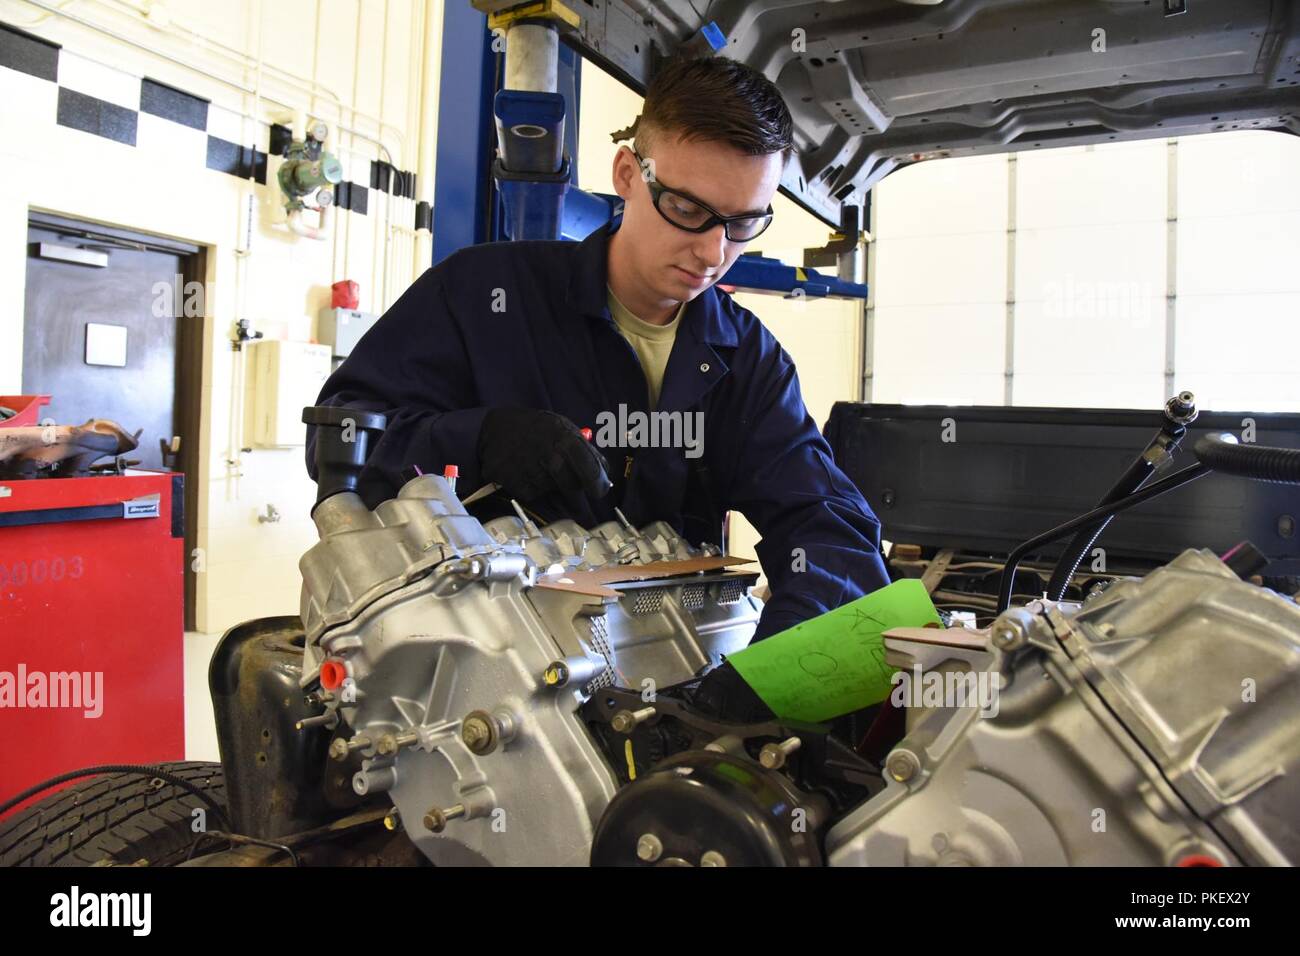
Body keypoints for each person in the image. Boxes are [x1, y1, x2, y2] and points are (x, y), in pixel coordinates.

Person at [306, 55, 889, 713]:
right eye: (688, 209)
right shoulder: (484, 295)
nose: (713, 252)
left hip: (666, 685)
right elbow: (346, 433)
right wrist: (478, 439)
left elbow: (829, 531)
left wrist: (766, 688)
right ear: (626, 176)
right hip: (472, 694)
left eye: (744, 223)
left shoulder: (747, 362)